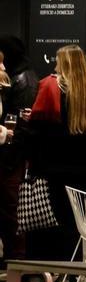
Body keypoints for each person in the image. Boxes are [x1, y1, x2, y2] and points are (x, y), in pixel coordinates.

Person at [25, 45, 86, 263]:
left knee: (57, 218)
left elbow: (41, 132)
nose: (55, 66)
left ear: (64, 65)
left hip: (56, 169)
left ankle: (59, 269)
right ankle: (73, 272)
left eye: (58, 61)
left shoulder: (56, 91)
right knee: (77, 218)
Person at [0, 37, 39, 265]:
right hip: (11, 154)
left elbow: (18, 123)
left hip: (11, 156)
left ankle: (16, 256)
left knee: (10, 207)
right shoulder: (22, 76)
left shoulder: (21, 80)